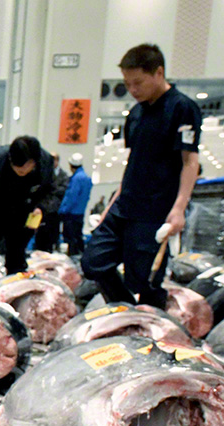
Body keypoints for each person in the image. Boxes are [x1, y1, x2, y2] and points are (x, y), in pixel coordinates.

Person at [81, 44, 200, 306]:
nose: (132, 90)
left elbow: (190, 161)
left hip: (155, 210)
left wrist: (179, 208)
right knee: (93, 262)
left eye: (138, 83)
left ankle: (150, 331)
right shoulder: (135, 114)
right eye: (127, 84)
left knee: (144, 281)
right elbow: (132, 164)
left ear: (159, 73)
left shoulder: (182, 108)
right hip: (124, 206)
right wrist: (111, 205)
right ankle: (126, 311)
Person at [0, 136, 62, 292]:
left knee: (17, 259)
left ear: (34, 162)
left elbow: (54, 192)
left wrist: (42, 208)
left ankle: (15, 298)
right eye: (16, 168)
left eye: (25, 168)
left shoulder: (45, 162)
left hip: (23, 217)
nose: (21, 172)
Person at [34, 153, 69, 252]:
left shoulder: (63, 176)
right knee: (40, 236)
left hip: (55, 211)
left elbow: (61, 191)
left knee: (52, 236)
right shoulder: (43, 173)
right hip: (42, 210)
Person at [59, 152, 92, 255]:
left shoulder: (76, 179)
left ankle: (73, 258)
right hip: (80, 213)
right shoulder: (86, 178)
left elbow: (72, 197)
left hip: (71, 214)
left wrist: (63, 210)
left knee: (71, 239)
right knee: (78, 236)